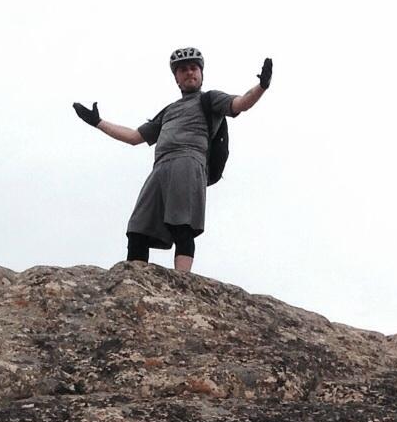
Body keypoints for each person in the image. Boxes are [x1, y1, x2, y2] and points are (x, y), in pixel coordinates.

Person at [74, 47, 273, 273]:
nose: (189, 73)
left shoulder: (211, 99)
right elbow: (133, 137)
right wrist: (98, 122)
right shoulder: (168, 110)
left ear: (201, 73)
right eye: (183, 70)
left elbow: (240, 103)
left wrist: (262, 86)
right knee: (138, 228)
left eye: (193, 68)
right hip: (159, 168)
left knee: (183, 225)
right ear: (176, 78)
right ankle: (135, 281)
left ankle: (182, 282)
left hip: (188, 162)